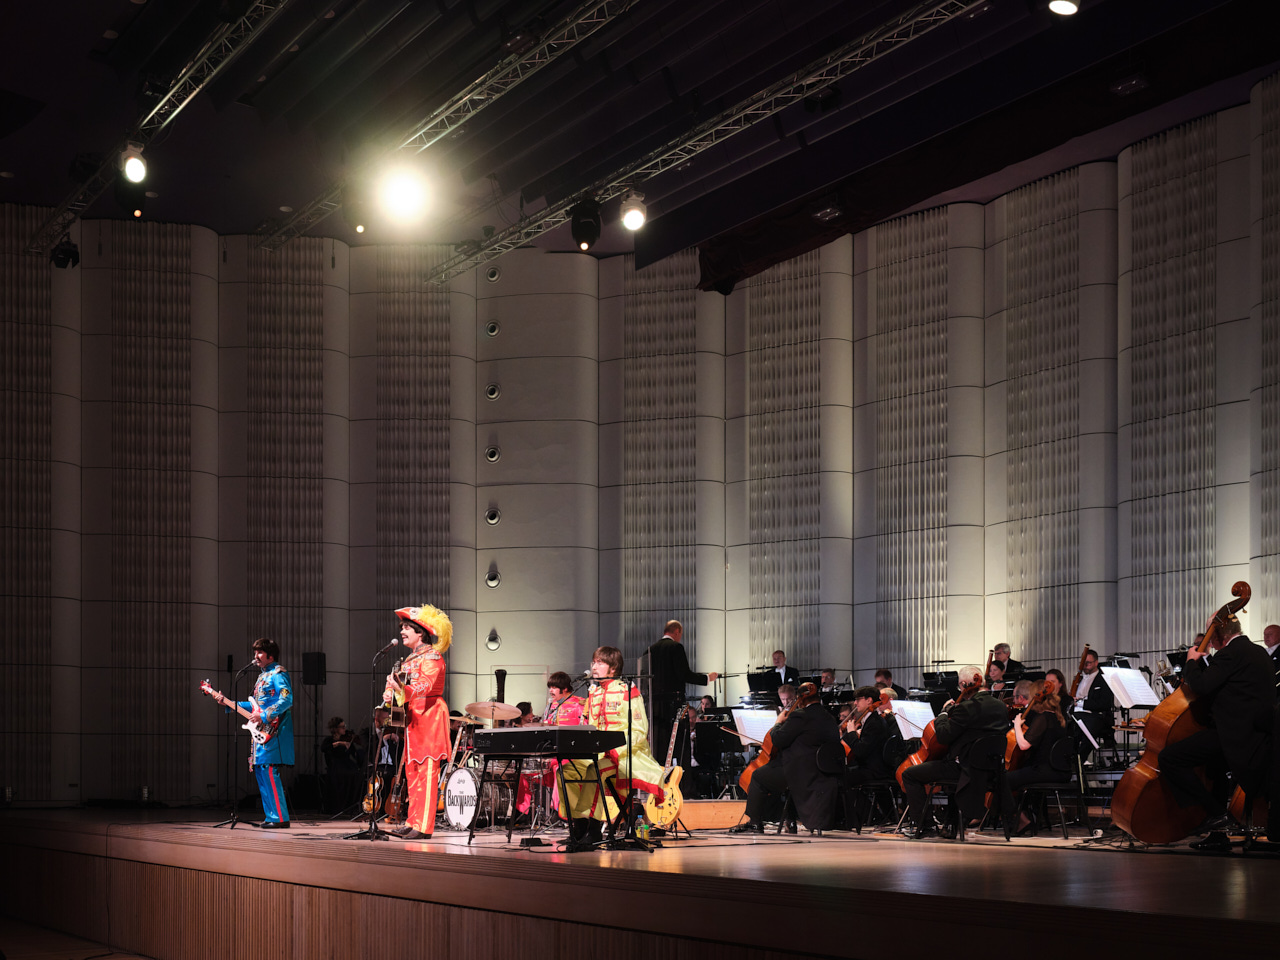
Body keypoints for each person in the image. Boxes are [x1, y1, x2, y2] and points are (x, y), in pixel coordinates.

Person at [1159, 614, 1275, 849]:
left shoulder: (1230, 653)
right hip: (1257, 738)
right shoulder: (1259, 652)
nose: (1209, 641)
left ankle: (1216, 815)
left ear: (1220, 634)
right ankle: (1218, 836)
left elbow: (1202, 686)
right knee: (1215, 770)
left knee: (1170, 758)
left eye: (1211, 636)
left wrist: (1191, 662)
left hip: (1233, 736)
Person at [560, 646, 666, 849]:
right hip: (598, 754)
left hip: (626, 755)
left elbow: (639, 730)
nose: (594, 666)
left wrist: (615, 748)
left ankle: (593, 829)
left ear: (613, 668)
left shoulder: (627, 691)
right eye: (594, 662)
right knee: (566, 771)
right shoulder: (593, 693)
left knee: (596, 770)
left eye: (600, 662)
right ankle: (579, 825)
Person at [900, 665, 1009, 837]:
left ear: (965, 684)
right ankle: (950, 824)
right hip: (992, 771)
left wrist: (943, 714)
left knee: (909, 774)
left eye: (960, 685)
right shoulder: (1000, 706)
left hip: (966, 770)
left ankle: (926, 826)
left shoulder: (966, 707)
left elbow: (944, 736)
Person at [731, 682, 840, 834]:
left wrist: (777, 723)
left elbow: (778, 740)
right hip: (823, 772)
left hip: (800, 773)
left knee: (758, 776)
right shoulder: (829, 718)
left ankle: (755, 822)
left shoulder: (799, 716)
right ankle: (790, 821)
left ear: (800, 699)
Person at [383, 603, 453, 840]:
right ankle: (413, 821)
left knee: (427, 772)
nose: (402, 631)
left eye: (406, 628)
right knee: (412, 772)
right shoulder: (410, 659)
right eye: (402, 627)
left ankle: (424, 826)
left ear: (420, 632)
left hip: (430, 716)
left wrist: (400, 689)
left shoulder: (432, 656)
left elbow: (426, 686)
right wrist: (390, 692)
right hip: (414, 718)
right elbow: (401, 687)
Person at [645, 620, 718, 771]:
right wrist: (707, 678)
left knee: (659, 745)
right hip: (674, 705)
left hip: (655, 706)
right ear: (677, 632)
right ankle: (682, 779)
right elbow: (684, 674)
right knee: (680, 744)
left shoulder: (649, 650)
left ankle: (659, 777)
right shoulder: (676, 647)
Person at [1001, 681, 1071, 837]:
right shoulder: (1058, 717)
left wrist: (1017, 725)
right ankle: (1021, 818)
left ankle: (1022, 820)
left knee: (1001, 780)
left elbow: (1024, 745)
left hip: (1044, 771)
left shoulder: (1043, 717)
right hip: (1061, 771)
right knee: (1013, 779)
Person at [240, 638, 294, 828]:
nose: (256, 656)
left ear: (270, 656)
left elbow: (287, 700)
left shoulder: (278, 674)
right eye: (255, 652)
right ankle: (272, 816)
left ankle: (280, 818)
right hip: (262, 732)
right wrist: (230, 704)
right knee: (262, 771)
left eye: (260, 652)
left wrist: (263, 716)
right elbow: (256, 706)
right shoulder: (262, 676)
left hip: (274, 732)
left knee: (269, 771)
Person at [321, 716, 365, 813]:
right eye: (342, 727)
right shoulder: (329, 740)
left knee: (356, 775)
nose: (345, 729)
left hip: (347, 764)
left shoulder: (347, 740)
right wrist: (339, 743)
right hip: (335, 765)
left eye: (345, 726)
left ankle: (351, 805)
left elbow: (354, 754)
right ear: (335, 729)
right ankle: (339, 806)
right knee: (343, 774)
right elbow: (323, 748)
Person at [1071, 649, 1114, 745]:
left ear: (1096, 663)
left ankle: (1080, 753)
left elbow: (1104, 703)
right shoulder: (1079, 678)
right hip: (1076, 713)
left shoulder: (1104, 679)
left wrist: (1080, 703)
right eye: (1083, 663)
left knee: (1079, 725)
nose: (1085, 666)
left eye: (1088, 663)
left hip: (1095, 715)